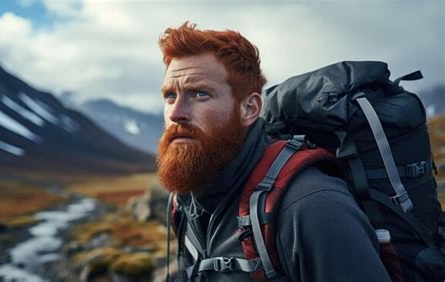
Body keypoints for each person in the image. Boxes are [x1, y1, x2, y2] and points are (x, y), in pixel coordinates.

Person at [156, 22, 391, 282]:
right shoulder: (187, 201)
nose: (176, 113)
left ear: (249, 109)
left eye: (200, 94)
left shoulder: (312, 206)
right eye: (169, 96)